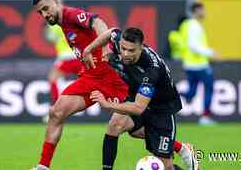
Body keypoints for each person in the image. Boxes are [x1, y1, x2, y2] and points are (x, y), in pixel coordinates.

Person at [30, 0, 129, 170]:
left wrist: (106, 47)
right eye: (40, 12)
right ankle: (43, 167)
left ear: (56, 2)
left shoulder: (70, 14)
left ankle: (181, 148)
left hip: (110, 77)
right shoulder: (61, 24)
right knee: (56, 113)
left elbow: (98, 22)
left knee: (136, 130)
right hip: (90, 77)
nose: (45, 15)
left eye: (46, 8)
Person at [85, 27, 199, 170]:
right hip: (137, 96)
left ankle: (181, 149)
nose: (125, 54)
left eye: (131, 51)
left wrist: (107, 104)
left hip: (161, 109)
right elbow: (111, 32)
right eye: (123, 48)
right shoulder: (119, 41)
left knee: (166, 167)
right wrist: (89, 49)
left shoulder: (152, 69)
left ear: (141, 48)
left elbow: (139, 108)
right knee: (115, 125)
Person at [178, 2, 219, 125]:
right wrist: (211, 53)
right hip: (199, 65)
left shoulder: (186, 25)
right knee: (209, 88)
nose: (204, 13)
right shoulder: (194, 26)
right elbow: (193, 46)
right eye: (202, 10)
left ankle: (174, 93)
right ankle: (205, 117)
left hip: (189, 64)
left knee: (191, 93)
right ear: (196, 11)